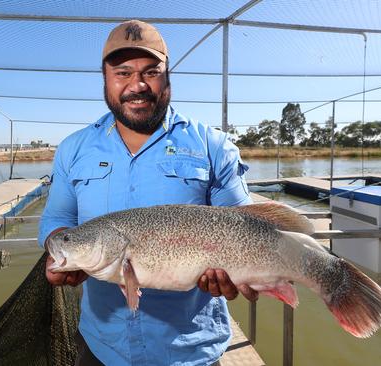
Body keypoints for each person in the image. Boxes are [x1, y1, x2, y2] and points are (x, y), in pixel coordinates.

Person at [38, 20, 255, 366]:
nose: (136, 85)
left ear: (168, 76)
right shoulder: (73, 149)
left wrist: (235, 274)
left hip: (192, 352)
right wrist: (62, 250)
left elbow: (248, 228)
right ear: (105, 77)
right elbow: (59, 219)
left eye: (150, 72)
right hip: (102, 348)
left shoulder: (213, 146)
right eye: (122, 73)